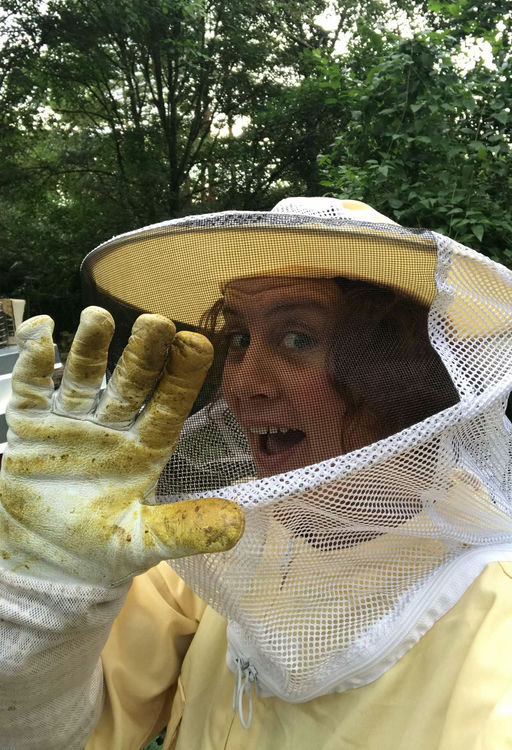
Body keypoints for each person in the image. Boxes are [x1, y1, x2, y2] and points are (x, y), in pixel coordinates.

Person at [1, 196, 512, 750]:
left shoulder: (494, 625)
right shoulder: (209, 535)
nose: (243, 384)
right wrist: (44, 600)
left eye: (299, 338)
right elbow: (61, 733)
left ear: (406, 372)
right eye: (240, 339)